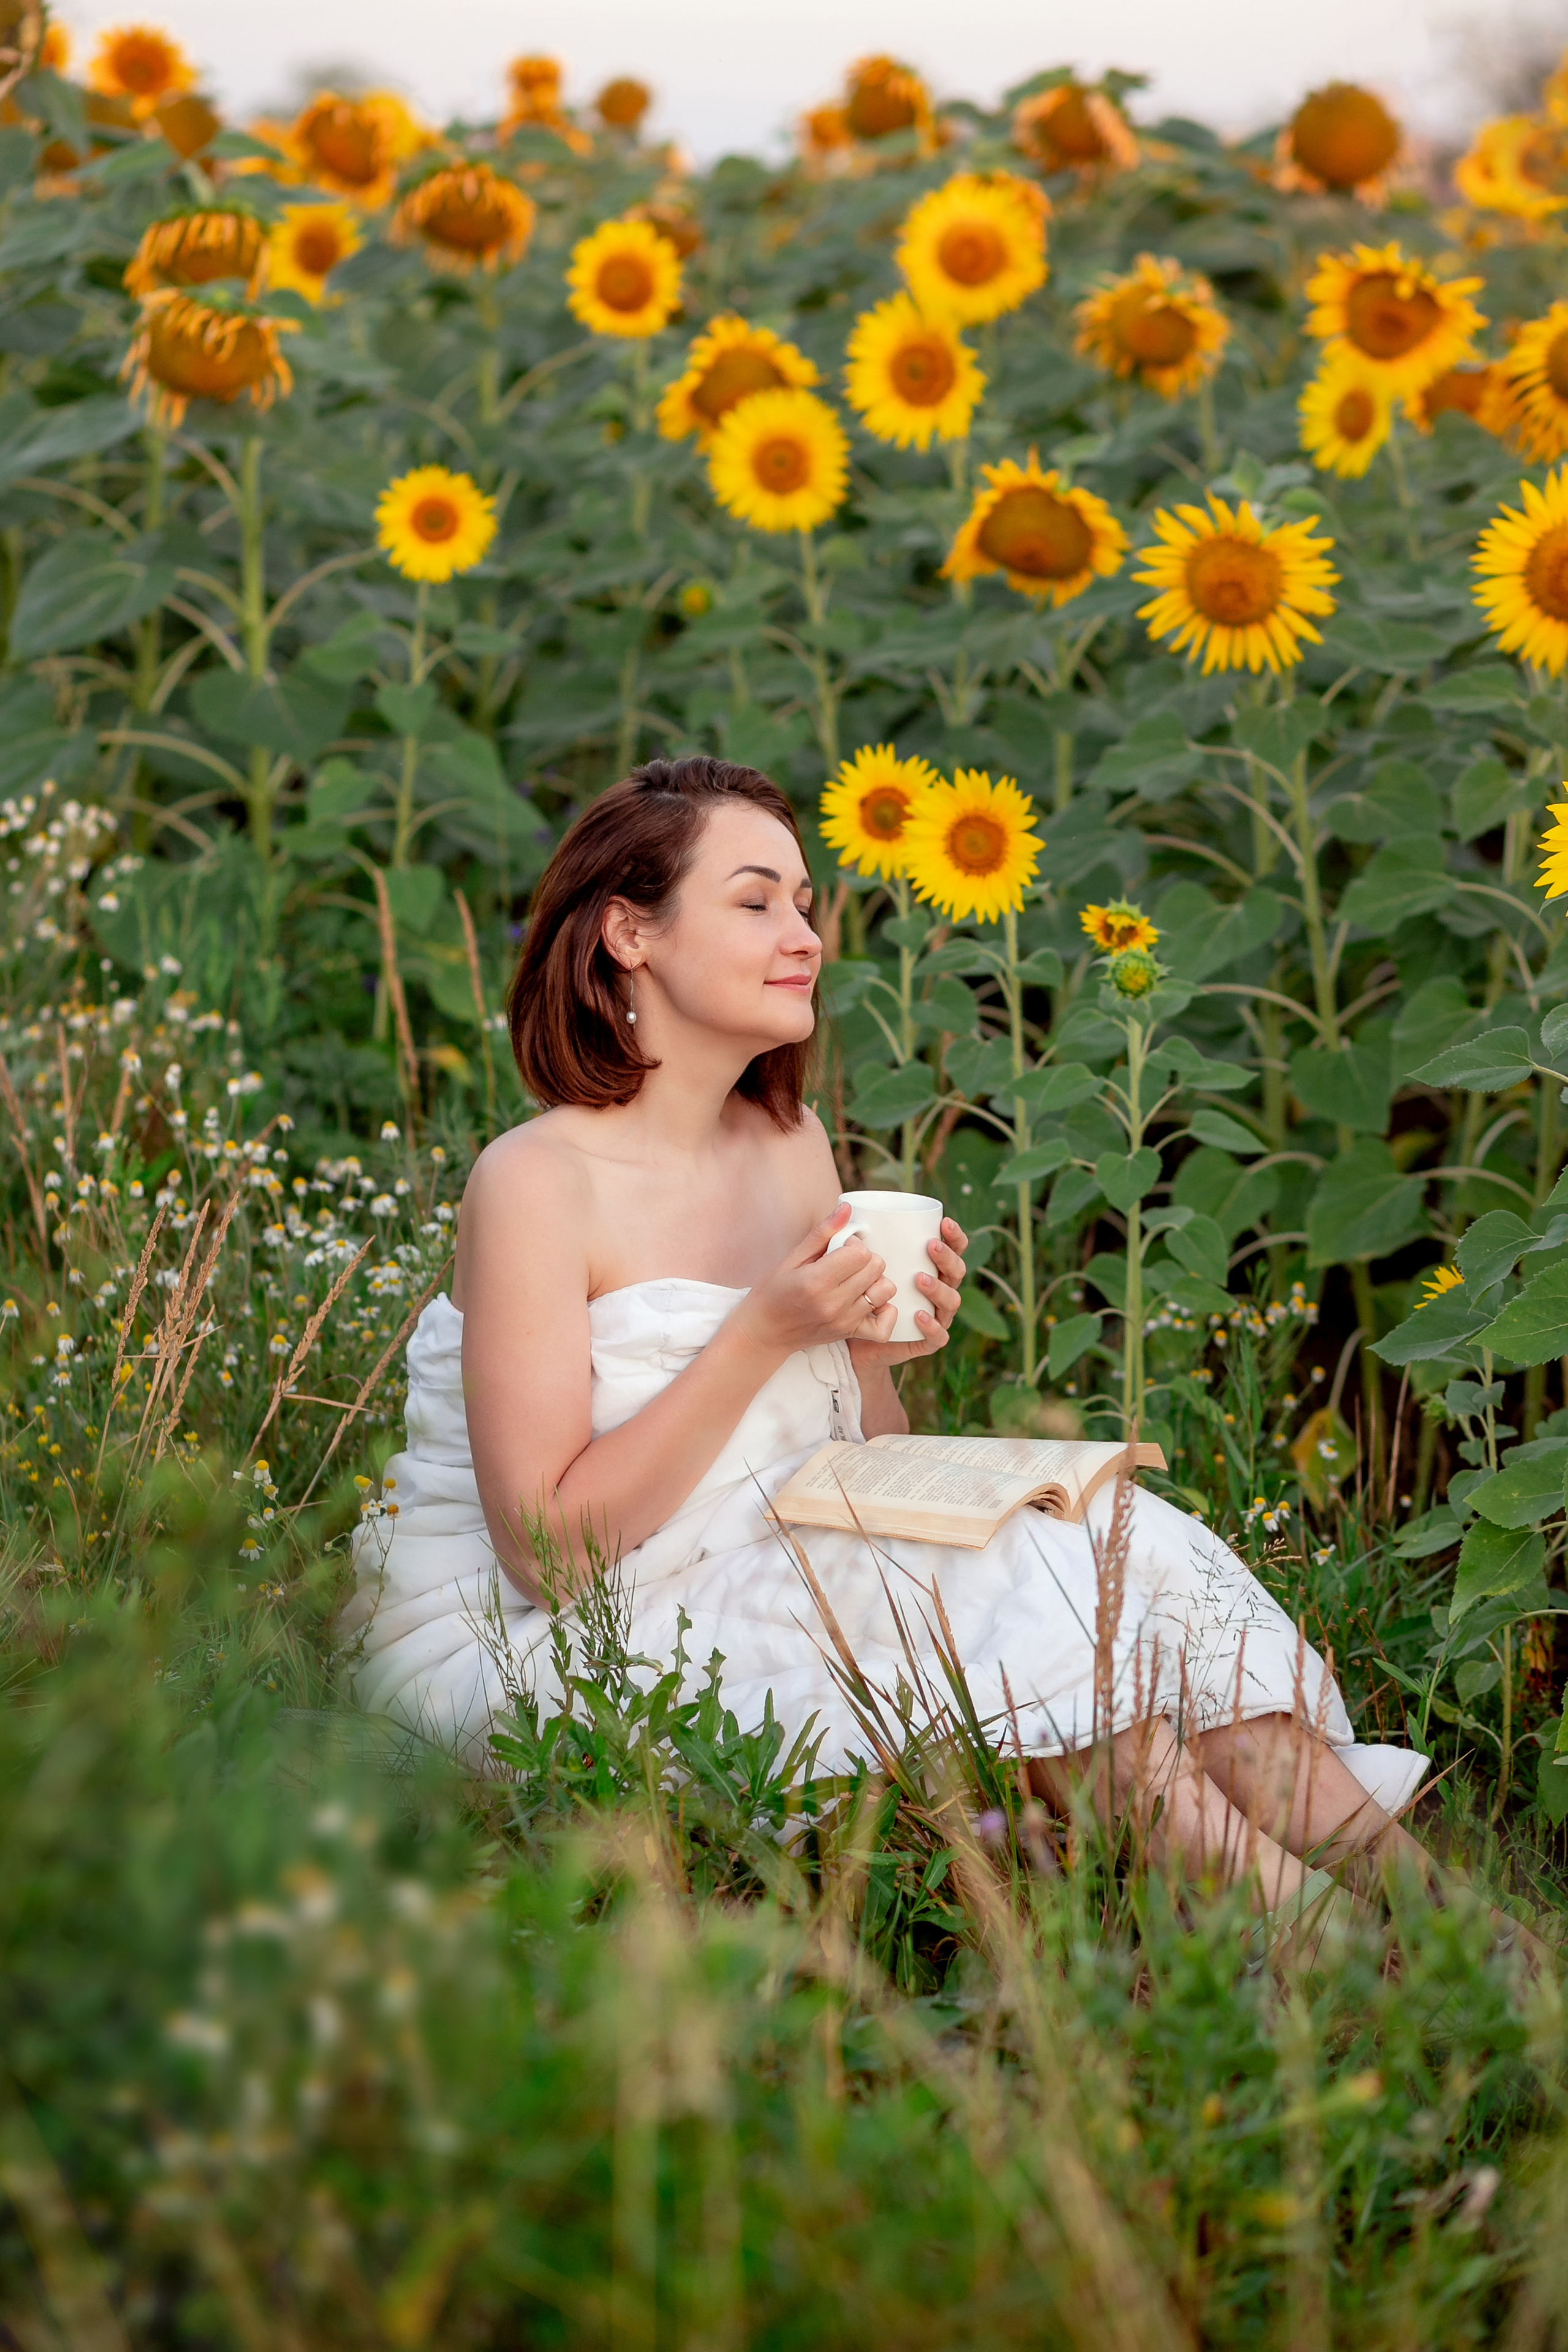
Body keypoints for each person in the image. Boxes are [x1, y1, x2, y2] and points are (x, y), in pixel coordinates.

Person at [343, 754, 1447, 1945]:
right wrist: (767, 1330)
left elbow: (856, 1458)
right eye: (755, 899)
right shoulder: (534, 1182)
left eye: (807, 904)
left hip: (771, 1557)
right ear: (627, 933)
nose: (804, 934)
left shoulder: (785, 1138)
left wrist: (878, 1355)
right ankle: (1344, 1964)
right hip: (551, 1639)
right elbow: (550, 1561)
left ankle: (1453, 1930)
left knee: (1125, 1546)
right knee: (1032, 1635)